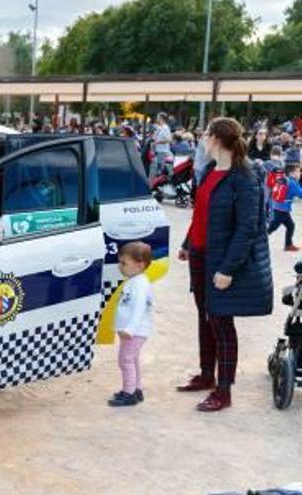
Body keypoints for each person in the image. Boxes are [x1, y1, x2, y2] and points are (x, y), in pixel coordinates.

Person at [177, 117, 273, 412]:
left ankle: (224, 390)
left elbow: (248, 228)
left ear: (217, 138)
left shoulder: (244, 177)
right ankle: (206, 375)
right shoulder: (208, 170)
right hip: (200, 255)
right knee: (205, 316)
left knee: (221, 322)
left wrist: (227, 270)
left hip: (222, 261)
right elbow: (200, 214)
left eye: (206, 133)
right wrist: (187, 243)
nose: (203, 138)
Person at [108, 241, 154, 407]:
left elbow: (138, 309)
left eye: (124, 263)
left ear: (140, 265)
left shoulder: (139, 285)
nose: (120, 267)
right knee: (132, 359)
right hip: (132, 331)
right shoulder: (134, 281)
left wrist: (130, 329)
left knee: (125, 360)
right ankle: (136, 389)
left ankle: (128, 393)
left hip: (135, 331)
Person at [267, 163, 302, 251]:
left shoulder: (284, 179)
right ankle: (255, 241)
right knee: (272, 228)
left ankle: (288, 245)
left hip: (278, 207)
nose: (299, 173)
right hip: (282, 210)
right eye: (297, 171)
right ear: (291, 173)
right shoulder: (293, 183)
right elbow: (300, 194)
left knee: (290, 225)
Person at [152, 112, 173, 179]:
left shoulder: (165, 128)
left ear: (161, 118)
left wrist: (158, 142)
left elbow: (169, 139)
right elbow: (155, 137)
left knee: (161, 168)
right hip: (158, 150)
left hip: (163, 150)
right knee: (159, 166)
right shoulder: (160, 127)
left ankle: (161, 181)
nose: (157, 119)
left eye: (158, 117)